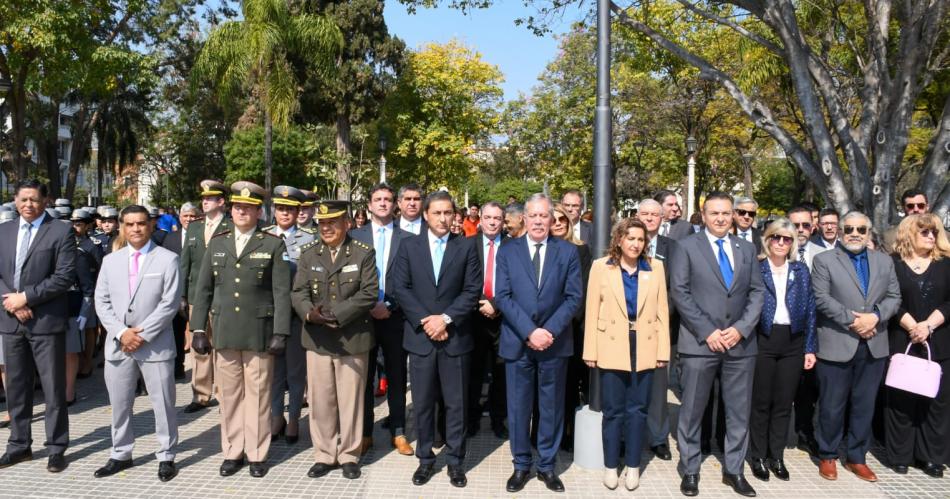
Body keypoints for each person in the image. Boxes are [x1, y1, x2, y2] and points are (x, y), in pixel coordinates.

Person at [189, 181, 292, 478]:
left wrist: (280, 332)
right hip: (224, 330)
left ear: (259, 212)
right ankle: (233, 450)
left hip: (259, 331)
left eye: (248, 207)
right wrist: (198, 329)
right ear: (231, 209)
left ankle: (257, 453)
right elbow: (203, 288)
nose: (242, 211)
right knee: (230, 395)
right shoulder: (218, 242)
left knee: (259, 395)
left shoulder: (272, 243)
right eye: (237, 207)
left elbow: (281, 291)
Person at [670, 191, 765, 497]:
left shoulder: (747, 248)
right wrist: (708, 331)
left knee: (738, 411)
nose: (721, 218)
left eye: (727, 213)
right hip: (700, 343)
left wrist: (740, 329)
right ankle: (691, 469)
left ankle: (734, 470)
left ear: (733, 215)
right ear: (704, 214)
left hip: (740, 345)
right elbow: (680, 293)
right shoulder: (686, 247)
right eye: (715, 213)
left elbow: (757, 292)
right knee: (693, 410)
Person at [390, 190, 481, 488]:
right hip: (421, 339)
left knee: (456, 404)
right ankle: (425, 459)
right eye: (437, 213)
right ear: (426, 215)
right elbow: (400, 287)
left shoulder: (467, 247)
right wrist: (427, 320)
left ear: (455, 215)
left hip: (455, 338)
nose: (443, 218)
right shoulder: (408, 246)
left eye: (448, 213)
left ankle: (455, 461)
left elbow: (471, 290)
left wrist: (445, 319)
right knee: (423, 403)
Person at [494, 193, 582, 493]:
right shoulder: (508, 251)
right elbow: (502, 296)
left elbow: (573, 297)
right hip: (519, 341)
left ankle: (546, 466)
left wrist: (548, 331)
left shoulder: (567, 252)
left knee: (551, 407)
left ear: (552, 219)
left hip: (554, 344)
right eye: (533, 215)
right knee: (518, 408)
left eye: (545, 216)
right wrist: (530, 331)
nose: (539, 221)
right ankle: (521, 465)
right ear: (524, 218)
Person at [92, 205, 181, 482]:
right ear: (121, 226)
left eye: (141, 223)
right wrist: (121, 333)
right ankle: (121, 452)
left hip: (154, 344)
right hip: (119, 345)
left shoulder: (167, 259)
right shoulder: (111, 261)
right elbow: (101, 301)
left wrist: (141, 334)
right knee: (119, 403)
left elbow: (170, 304)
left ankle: (166, 454)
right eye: (129, 224)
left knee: (163, 403)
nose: (135, 229)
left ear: (150, 225)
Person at [811, 211, 901, 482]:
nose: (854, 233)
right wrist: (854, 321)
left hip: (874, 343)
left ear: (868, 232)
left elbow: (894, 297)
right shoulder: (824, 260)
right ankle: (827, 454)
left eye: (861, 229)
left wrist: (875, 316)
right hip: (838, 341)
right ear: (839, 230)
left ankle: (857, 457)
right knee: (831, 404)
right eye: (848, 228)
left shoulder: (884, 261)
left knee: (864, 404)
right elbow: (822, 298)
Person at [292, 200, 377, 480]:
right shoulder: (308, 253)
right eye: (322, 224)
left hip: (351, 338)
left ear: (347, 224)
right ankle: (325, 454)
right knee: (321, 400)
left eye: (333, 223)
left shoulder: (363, 253)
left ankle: (350, 455)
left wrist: (335, 314)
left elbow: (368, 293)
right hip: (317, 339)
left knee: (350, 399)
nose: (326, 228)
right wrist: (309, 313)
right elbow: (298, 292)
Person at [583, 218, 670, 491]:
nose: (635, 244)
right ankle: (610, 466)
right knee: (613, 412)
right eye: (630, 238)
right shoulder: (601, 267)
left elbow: (662, 312)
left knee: (638, 410)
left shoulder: (655, 268)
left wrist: (663, 351)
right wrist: (591, 350)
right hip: (611, 346)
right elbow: (591, 310)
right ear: (619, 239)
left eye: (640, 239)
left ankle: (633, 467)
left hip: (644, 345)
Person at [0, 179, 76, 473]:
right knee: (17, 389)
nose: (28, 205)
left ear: (45, 201)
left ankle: (56, 447)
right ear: (15, 201)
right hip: (10, 320)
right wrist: (11, 302)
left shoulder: (60, 230)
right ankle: (19, 446)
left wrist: (26, 298)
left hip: (45, 321)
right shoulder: (4, 231)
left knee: (53, 389)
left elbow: (64, 276)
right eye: (23, 200)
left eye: (34, 199)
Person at [747, 218, 817, 482]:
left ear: (792, 244)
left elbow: (811, 310)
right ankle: (758, 457)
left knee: (783, 403)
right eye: (776, 237)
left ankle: (776, 456)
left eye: (787, 239)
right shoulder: (757, 267)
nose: (781, 243)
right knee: (761, 402)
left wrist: (810, 348)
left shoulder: (800, 271)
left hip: (792, 341)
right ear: (768, 240)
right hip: (763, 339)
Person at [350, 183, 415, 457]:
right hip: (362, 318)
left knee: (397, 376)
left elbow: (410, 280)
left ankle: (398, 432)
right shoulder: (354, 235)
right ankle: (364, 433)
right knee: (363, 377)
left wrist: (389, 304)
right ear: (369, 204)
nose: (384, 203)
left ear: (395, 205)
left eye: (388, 199)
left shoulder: (408, 238)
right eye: (378, 199)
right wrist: (366, 306)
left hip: (394, 316)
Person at [884, 214, 950, 477]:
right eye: (925, 232)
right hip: (904, 339)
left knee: (937, 402)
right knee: (901, 400)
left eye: (933, 232)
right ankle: (900, 455)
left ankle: (931, 457)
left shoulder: (946, 264)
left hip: (939, 341)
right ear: (910, 233)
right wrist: (913, 326)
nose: (931, 237)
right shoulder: (893, 264)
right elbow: (890, 300)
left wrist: (928, 326)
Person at [263, 186, 315, 445]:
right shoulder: (263, 236)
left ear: (298, 212)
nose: (285, 213)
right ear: (274, 210)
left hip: (296, 316)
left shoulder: (310, 239)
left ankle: (293, 417)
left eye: (290, 209)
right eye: (281, 208)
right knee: (274, 372)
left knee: (296, 370)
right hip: (270, 315)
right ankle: (276, 416)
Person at [180, 180, 231, 414]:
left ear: (221, 202)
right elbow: (185, 264)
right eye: (203, 198)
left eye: (209, 198)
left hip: (223, 295)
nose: (204, 201)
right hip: (196, 296)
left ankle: (222, 394)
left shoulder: (231, 225)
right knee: (199, 346)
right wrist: (181, 294)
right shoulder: (194, 228)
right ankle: (200, 394)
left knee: (221, 346)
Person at [637, 198, 678, 460]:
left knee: (657, 386)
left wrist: (661, 314)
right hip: (628, 325)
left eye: (655, 214)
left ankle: (658, 438)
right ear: (637, 215)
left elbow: (677, 287)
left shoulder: (673, 248)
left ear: (662, 218)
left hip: (660, 326)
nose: (650, 218)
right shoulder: (625, 243)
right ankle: (624, 436)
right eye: (645, 213)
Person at [551, 203, 592, 451]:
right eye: (553, 219)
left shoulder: (581, 251)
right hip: (543, 330)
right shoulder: (540, 248)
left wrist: (560, 324)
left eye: (562, 220)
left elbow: (581, 293)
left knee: (570, 384)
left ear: (569, 223)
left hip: (571, 328)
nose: (557, 223)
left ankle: (569, 434)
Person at [465, 201, 509, 439]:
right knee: (473, 371)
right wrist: (480, 303)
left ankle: (498, 419)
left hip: (503, 320)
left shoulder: (513, 247)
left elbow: (517, 283)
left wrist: (497, 305)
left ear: (503, 221)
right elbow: (461, 281)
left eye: (497, 218)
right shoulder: (467, 245)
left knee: (501, 373)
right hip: (473, 318)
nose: (493, 222)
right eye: (488, 217)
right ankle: (471, 419)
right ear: (480, 218)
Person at [65, 209, 100, 404]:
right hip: (51, 310)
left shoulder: (79, 255)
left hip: (73, 308)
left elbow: (88, 288)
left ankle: (70, 390)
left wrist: (85, 314)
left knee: (71, 351)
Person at [160, 202, 199, 379]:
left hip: (197, 292)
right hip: (175, 292)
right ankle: (178, 367)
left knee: (199, 331)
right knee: (176, 332)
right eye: (186, 216)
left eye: (192, 216)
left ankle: (203, 372)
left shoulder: (204, 236)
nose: (189, 219)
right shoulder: (170, 238)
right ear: (180, 217)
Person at [883, 189, 931, 253]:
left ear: (927, 207)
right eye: (910, 206)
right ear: (903, 208)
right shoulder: (890, 237)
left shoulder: (943, 236)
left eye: (920, 205)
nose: (916, 209)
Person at [787, 206, 827, 270]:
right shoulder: (779, 253)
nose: (801, 230)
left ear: (812, 228)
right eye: (795, 226)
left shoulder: (824, 253)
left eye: (806, 225)